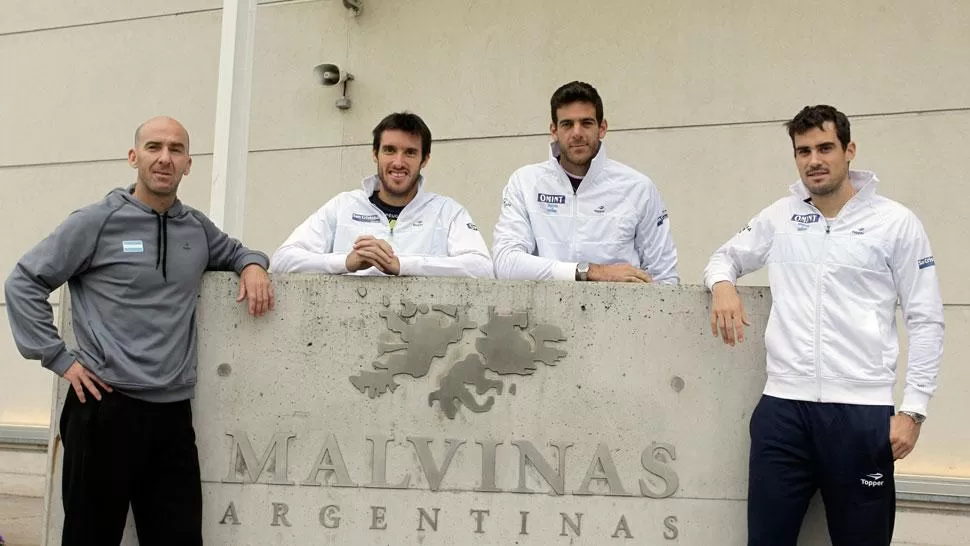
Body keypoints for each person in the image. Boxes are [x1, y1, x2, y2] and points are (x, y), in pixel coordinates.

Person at [4, 116, 275, 545]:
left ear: (189, 163)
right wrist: (58, 357)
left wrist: (254, 265)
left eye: (175, 149)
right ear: (134, 157)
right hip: (102, 406)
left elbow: (237, 251)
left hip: (171, 413)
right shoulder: (96, 221)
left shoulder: (196, 228)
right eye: (153, 147)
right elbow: (23, 282)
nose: (164, 158)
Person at [704, 105, 944, 545]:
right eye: (803, 151)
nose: (814, 160)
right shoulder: (780, 217)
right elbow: (724, 257)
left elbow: (926, 318)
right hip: (783, 411)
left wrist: (913, 410)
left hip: (861, 415)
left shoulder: (895, 223)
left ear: (849, 150)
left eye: (825, 148)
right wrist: (722, 286)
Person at [492, 81, 678, 283]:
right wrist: (587, 271)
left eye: (586, 123)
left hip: (620, 314)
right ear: (554, 131)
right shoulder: (525, 183)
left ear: (602, 128)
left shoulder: (638, 188)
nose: (577, 133)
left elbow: (664, 277)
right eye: (567, 124)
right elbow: (505, 263)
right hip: (546, 313)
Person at [271, 112, 493, 278]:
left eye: (410, 152)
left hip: (422, 335)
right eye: (389, 150)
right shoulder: (343, 206)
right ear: (374, 154)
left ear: (425, 159)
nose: (398, 162)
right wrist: (346, 262)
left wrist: (401, 265)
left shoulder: (447, 211)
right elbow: (283, 260)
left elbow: (481, 267)